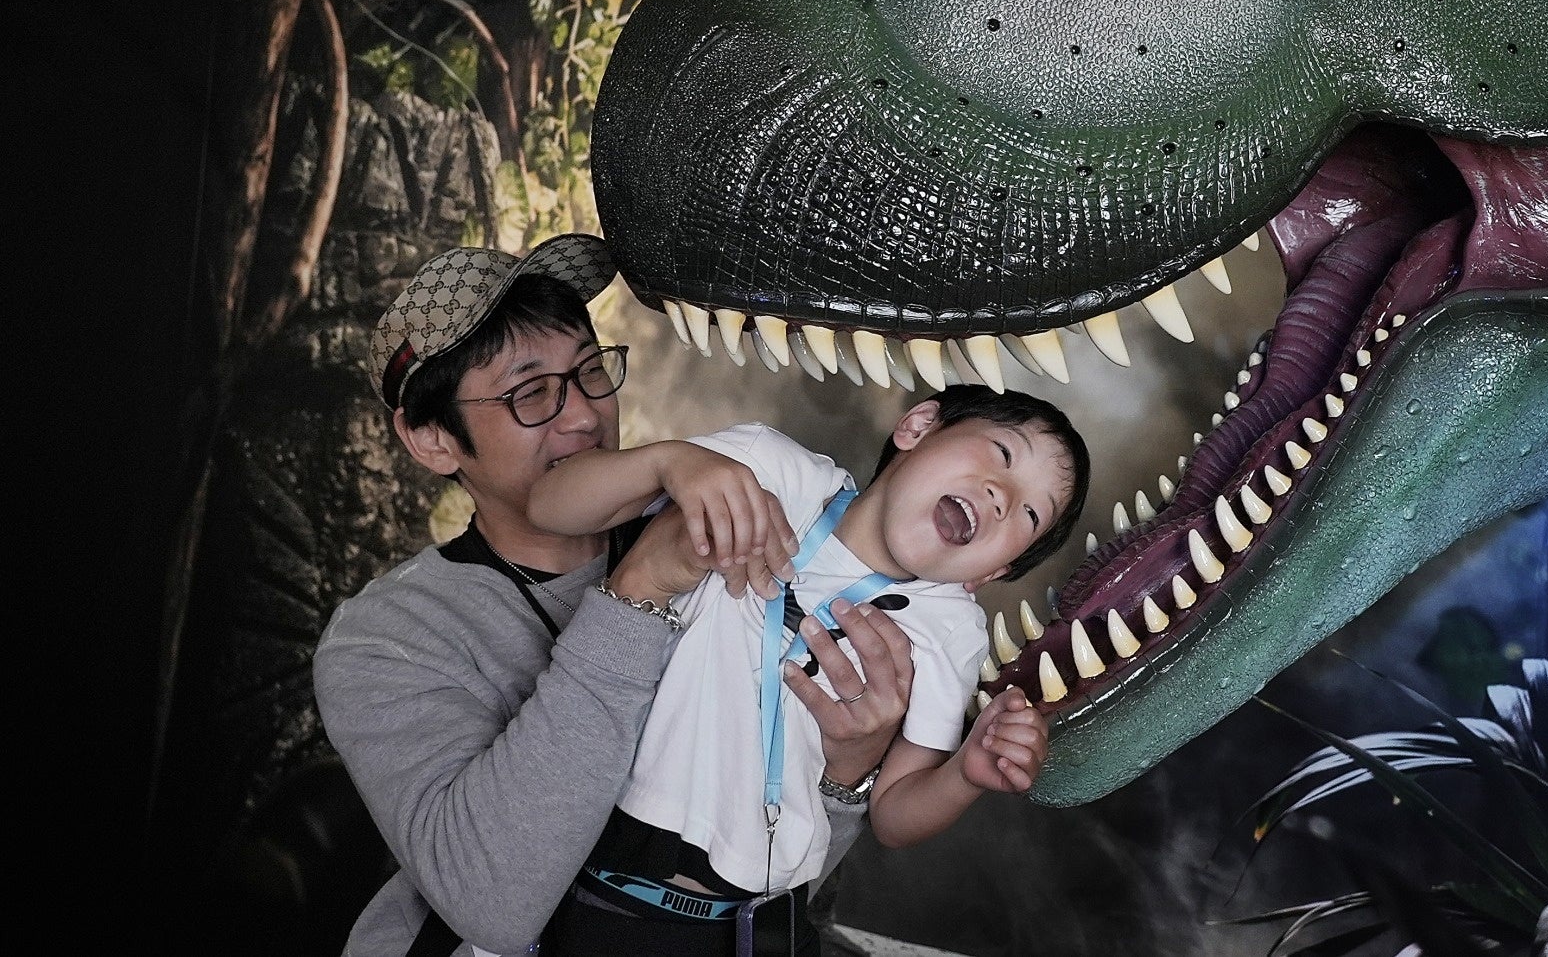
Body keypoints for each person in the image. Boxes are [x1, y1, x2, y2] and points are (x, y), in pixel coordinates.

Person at [311, 233, 916, 957]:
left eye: (590, 370)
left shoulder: (725, 536)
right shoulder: (387, 638)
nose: (583, 415)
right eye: (530, 393)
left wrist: (847, 776)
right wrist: (639, 591)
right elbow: (493, 904)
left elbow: (771, 885)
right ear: (433, 439)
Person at [527, 382, 1091, 955]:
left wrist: (965, 775)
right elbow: (548, 506)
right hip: (607, 885)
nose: (1002, 497)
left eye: (1030, 513)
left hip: (763, 924)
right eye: (1002, 453)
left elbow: (893, 817)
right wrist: (669, 463)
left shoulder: (952, 631)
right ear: (918, 428)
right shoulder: (769, 469)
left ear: (992, 573)